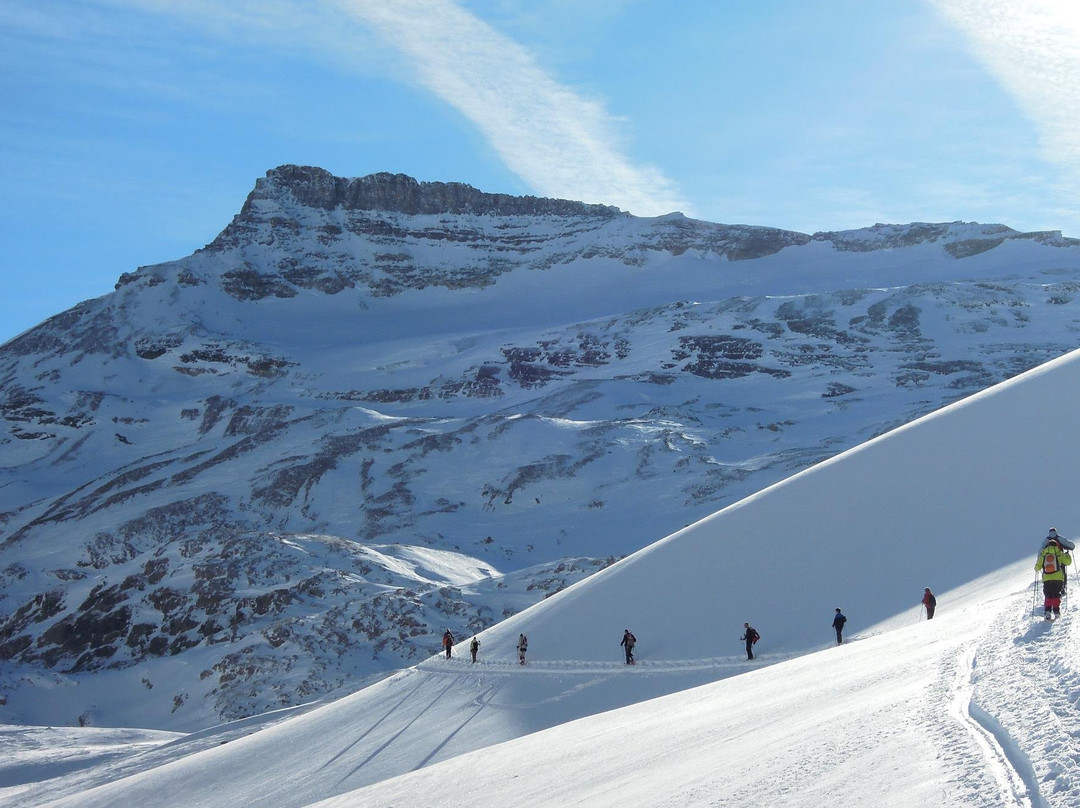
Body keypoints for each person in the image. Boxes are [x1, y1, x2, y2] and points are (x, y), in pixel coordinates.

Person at [1036, 531, 1072, 620]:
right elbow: (1068, 562)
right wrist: (1067, 556)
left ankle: (1047, 612)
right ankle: (1056, 612)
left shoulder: (1044, 554)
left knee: (1048, 595)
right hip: (1058, 578)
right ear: (1056, 545)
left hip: (1047, 578)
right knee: (1056, 595)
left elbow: (1037, 568)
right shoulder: (1058, 553)